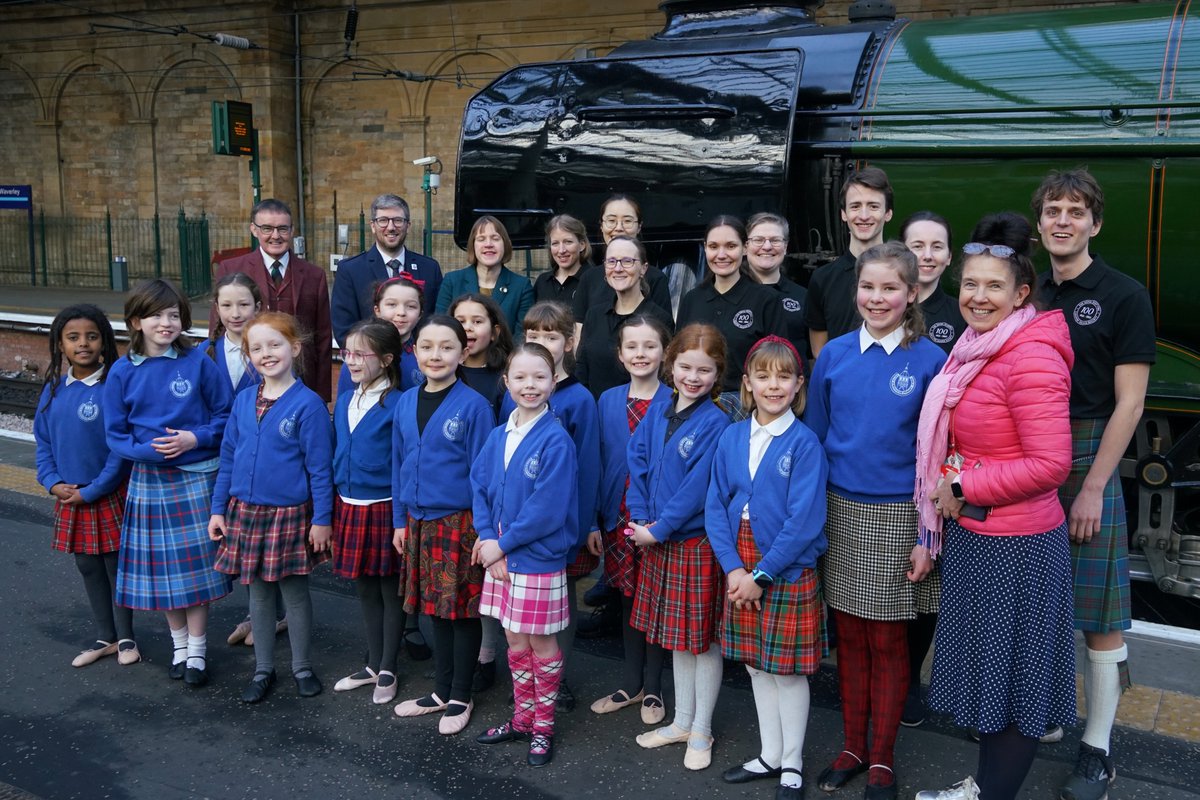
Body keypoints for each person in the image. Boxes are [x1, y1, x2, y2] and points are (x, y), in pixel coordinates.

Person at [912, 213, 1077, 800]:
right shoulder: (978, 348)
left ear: (1021, 294)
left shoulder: (1029, 355)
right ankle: (984, 787)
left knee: (1013, 687)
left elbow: (1051, 464)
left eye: (994, 287)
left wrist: (962, 487)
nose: (978, 297)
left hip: (1018, 548)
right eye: (970, 284)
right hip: (983, 538)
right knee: (994, 680)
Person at [804, 242, 946, 800]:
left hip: (898, 516)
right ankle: (852, 747)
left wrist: (927, 535)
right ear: (855, 290)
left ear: (912, 293)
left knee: (888, 642)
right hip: (839, 511)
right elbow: (815, 440)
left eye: (890, 288)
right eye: (868, 287)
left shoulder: (931, 361)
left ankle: (882, 757)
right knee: (849, 638)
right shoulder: (834, 355)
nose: (877, 298)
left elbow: (940, 456)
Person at [1032, 169, 1156, 800]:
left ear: (1095, 224)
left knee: (1098, 615)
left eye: (1075, 212)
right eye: (1053, 211)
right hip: (1031, 455)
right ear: (1039, 224)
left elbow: (1130, 404)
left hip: (1089, 454)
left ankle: (1098, 749)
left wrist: (1094, 486)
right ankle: (1050, 715)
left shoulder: (1124, 295)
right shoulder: (1028, 293)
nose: (1063, 221)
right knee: (1039, 600)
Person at [707, 335, 828, 799]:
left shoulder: (805, 443)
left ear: (799, 385)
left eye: (784, 377)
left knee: (786, 670)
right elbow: (715, 506)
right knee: (757, 665)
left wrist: (760, 575)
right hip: (739, 561)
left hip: (783, 566)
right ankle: (770, 754)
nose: (773, 385)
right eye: (763, 376)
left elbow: (804, 521)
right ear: (747, 383)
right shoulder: (732, 436)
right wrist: (734, 570)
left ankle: (792, 763)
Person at [103, 279, 234, 687]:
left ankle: (197, 651)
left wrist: (194, 438)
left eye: (174, 315)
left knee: (194, 575)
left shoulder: (198, 362)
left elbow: (226, 415)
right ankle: (179, 647)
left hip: (196, 476)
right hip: (150, 479)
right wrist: (147, 452)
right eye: (156, 315)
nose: (166, 323)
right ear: (135, 322)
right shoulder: (122, 371)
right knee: (166, 573)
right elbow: (115, 435)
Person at [209, 312, 333, 703]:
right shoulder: (244, 400)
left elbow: (320, 469)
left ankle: (302, 667)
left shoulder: (309, 405)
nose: (267, 353)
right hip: (245, 512)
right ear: (248, 356)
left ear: (294, 348)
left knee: (294, 595)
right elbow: (228, 457)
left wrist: (322, 520)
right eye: (257, 348)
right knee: (259, 597)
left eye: (275, 344)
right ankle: (263, 669)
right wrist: (217, 509)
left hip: (289, 515)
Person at [627, 323, 731, 772]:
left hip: (691, 542)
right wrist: (639, 515)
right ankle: (682, 721)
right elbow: (637, 459)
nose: (693, 377)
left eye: (704, 370)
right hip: (655, 534)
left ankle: (702, 728)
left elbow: (697, 488)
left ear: (718, 374)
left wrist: (661, 528)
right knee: (678, 638)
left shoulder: (717, 422)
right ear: (671, 365)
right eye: (686, 367)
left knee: (701, 641)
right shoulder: (659, 409)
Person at [471, 342, 580, 768]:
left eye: (539, 376)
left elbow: (546, 510)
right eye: (520, 377)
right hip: (500, 557)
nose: (529, 385)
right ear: (506, 381)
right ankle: (522, 717)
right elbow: (479, 488)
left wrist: (501, 545)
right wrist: (488, 540)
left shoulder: (556, 440)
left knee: (541, 641)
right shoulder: (499, 435)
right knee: (514, 638)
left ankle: (544, 726)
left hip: (536, 558)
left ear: (554, 382)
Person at [392, 315, 494, 734]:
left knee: (462, 613)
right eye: (427, 346)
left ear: (463, 352)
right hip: (418, 521)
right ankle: (440, 690)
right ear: (414, 350)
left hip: (461, 523)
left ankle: (461, 695)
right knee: (435, 608)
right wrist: (399, 520)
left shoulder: (474, 407)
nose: (436, 355)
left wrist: (485, 531)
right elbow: (398, 463)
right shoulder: (405, 401)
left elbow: (485, 475)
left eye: (447, 347)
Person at [501, 301, 601, 711]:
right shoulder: (514, 393)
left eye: (552, 336)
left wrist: (587, 523)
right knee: (518, 607)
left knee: (560, 605)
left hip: (561, 523)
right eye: (534, 335)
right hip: (516, 524)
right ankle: (525, 679)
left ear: (569, 342)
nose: (542, 342)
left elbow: (589, 466)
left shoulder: (579, 398)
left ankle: (556, 680)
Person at [35, 304, 136, 668]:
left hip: (105, 494)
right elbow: (44, 444)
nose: (83, 344)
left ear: (104, 341)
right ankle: (105, 636)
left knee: (115, 567)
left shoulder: (113, 387)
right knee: (87, 567)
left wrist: (92, 490)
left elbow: (120, 451)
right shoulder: (52, 390)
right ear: (60, 344)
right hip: (69, 495)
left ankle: (127, 637)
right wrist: (52, 483)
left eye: (92, 337)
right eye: (73, 337)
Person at [588, 315, 673, 723]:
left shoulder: (674, 400)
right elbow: (596, 460)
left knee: (654, 599)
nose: (641, 354)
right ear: (620, 355)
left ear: (664, 352)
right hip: (616, 516)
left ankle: (653, 687)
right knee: (626, 598)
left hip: (656, 522)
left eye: (650, 346)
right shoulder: (607, 400)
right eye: (632, 347)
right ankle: (631, 682)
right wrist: (593, 521)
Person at [203, 273, 287, 648]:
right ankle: (258, 613)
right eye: (226, 305)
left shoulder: (271, 351)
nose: (235, 313)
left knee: (268, 546)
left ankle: (272, 615)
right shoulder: (204, 354)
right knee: (241, 543)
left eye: (243, 304)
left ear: (258, 307)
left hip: (263, 464)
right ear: (216, 308)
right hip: (220, 458)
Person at [330, 320, 406, 706]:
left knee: (390, 589)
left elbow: (403, 463)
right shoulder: (345, 399)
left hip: (384, 508)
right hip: (348, 505)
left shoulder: (399, 403)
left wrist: (401, 519)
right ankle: (373, 663)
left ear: (387, 359)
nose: (352, 361)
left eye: (362, 354)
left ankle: (389, 665)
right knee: (364, 587)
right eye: (348, 353)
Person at [214, 199, 332, 403]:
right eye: (267, 228)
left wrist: (321, 395)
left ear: (292, 230)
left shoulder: (314, 275)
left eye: (282, 229)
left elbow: (323, 338)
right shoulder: (231, 269)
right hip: (248, 376)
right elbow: (217, 327)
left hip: (302, 380)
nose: (275, 236)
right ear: (254, 229)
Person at [676, 216, 787, 419]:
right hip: (695, 405)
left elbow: (778, 362)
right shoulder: (692, 299)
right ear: (705, 248)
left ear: (745, 248)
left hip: (749, 407)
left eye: (730, 246)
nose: (721, 254)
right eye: (713, 246)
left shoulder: (767, 300)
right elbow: (677, 357)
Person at [806, 167, 894, 359]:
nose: (864, 216)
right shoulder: (822, 279)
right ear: (843, 214)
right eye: (855, 206)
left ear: (888, 213)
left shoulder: (903, 276)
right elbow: (820, 353)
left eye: (873, 206)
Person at [330, 193, 443, 340]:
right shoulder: (350, 270)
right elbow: (344, 329)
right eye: (383, 220)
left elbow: (436, 321)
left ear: (408, 226)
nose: (391, 227)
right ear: (373, 226)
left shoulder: (430, 268)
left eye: (398, 220)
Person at [576, 235, 674, 398]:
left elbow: (665, 375)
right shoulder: (594, 315)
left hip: (640, 410)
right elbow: (581, 368)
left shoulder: (659, 319)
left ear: (643, 269)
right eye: (611, 261)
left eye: (627, 261)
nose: (618, 268)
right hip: (596, 409)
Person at [572, 194, 674, 328]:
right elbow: (579, 331)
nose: (619, 227)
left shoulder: (657, 278)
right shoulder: (589, 278)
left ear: (639, 227)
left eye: (627, 221)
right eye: (611, 220)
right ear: (601, 226)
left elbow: (663, 331)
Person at [435, 216, 534, 335]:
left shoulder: (522, 287)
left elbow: (521, 336)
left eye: (495, 238)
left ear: (505, 244)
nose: (488, 244)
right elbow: (442, 328)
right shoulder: (452, 281)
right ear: (473, 245)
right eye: (481, 239)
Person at [335, 275, 425, 397]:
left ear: (420, 314)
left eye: (411, 306)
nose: (401, 312)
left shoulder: (425, 357)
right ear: (377, 310)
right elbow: (344, 402)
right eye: (392, 304)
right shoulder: (356, 358)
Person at [901, 211, 966, 354]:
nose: (928, 256)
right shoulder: (879, 306)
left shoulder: (963, 315)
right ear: (901, 254)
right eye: (918, 246)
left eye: (937, 247)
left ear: (949, 257)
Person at [746, 213, 808, 358]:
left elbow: (812, 355)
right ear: (745, 246)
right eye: (758, 240)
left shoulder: (803, 296)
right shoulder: (732, 294)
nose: (767, 247)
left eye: (775, 240)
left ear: (785, 247)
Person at [450, 293, 513, 419]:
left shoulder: (506, 378)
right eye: (461, 321)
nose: (467, 328)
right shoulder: (445, 373)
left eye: (477, 321)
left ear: (494, 332)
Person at [534, 214, 593, 305]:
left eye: (568, 242)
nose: (561, 250)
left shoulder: (594, 280)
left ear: (582, 245)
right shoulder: (542, 282)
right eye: (555, 243)